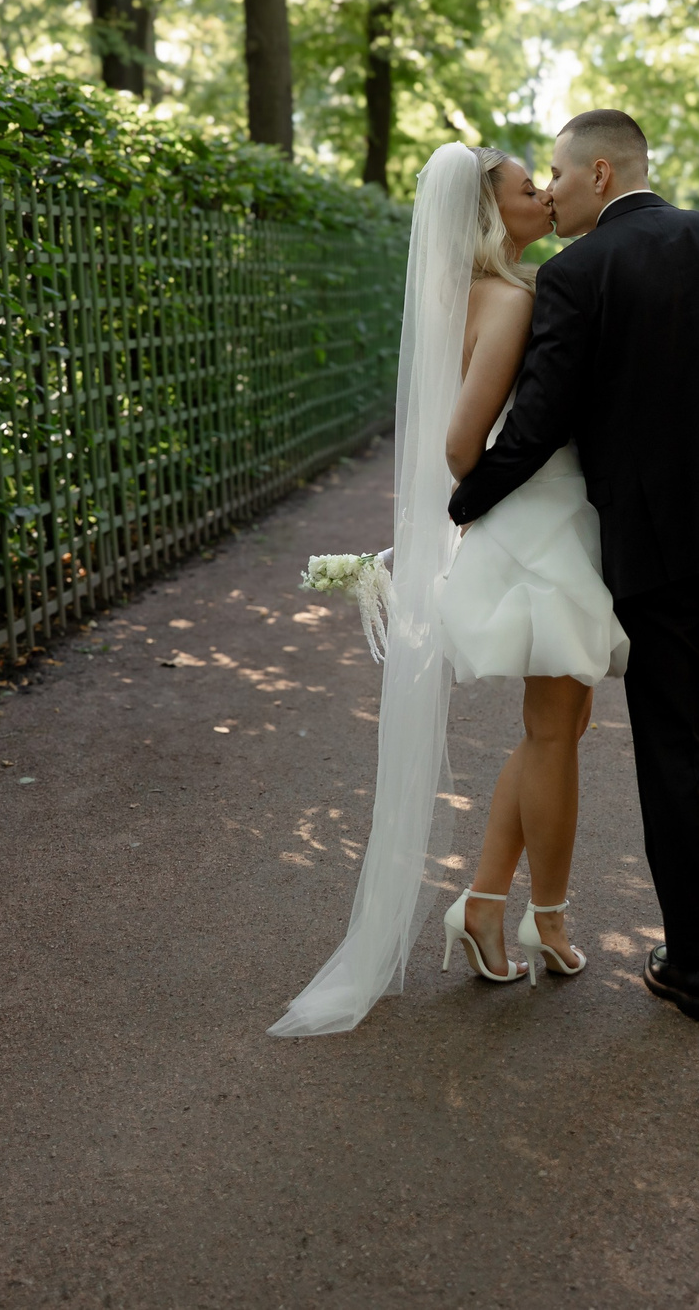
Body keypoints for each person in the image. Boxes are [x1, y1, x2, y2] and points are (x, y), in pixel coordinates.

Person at [448, 108, 699, 1022]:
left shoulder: (575, 274)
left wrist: (466, 502)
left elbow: (540, 419)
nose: (547, 190)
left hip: (653, 548)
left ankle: (696, 968)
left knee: (671, 748)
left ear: (599, 174)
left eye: (556, 172)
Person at [269, 144, 627, 1037]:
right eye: (523, 187)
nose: (543, 193)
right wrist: (474, 509)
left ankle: (483, 903)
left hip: (532, 521)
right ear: (486, 213)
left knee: (559, 727)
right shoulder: (508, 299)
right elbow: (463, 444)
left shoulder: (475, 292)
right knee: (557, 730)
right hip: (537, 522)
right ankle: (551, 919)